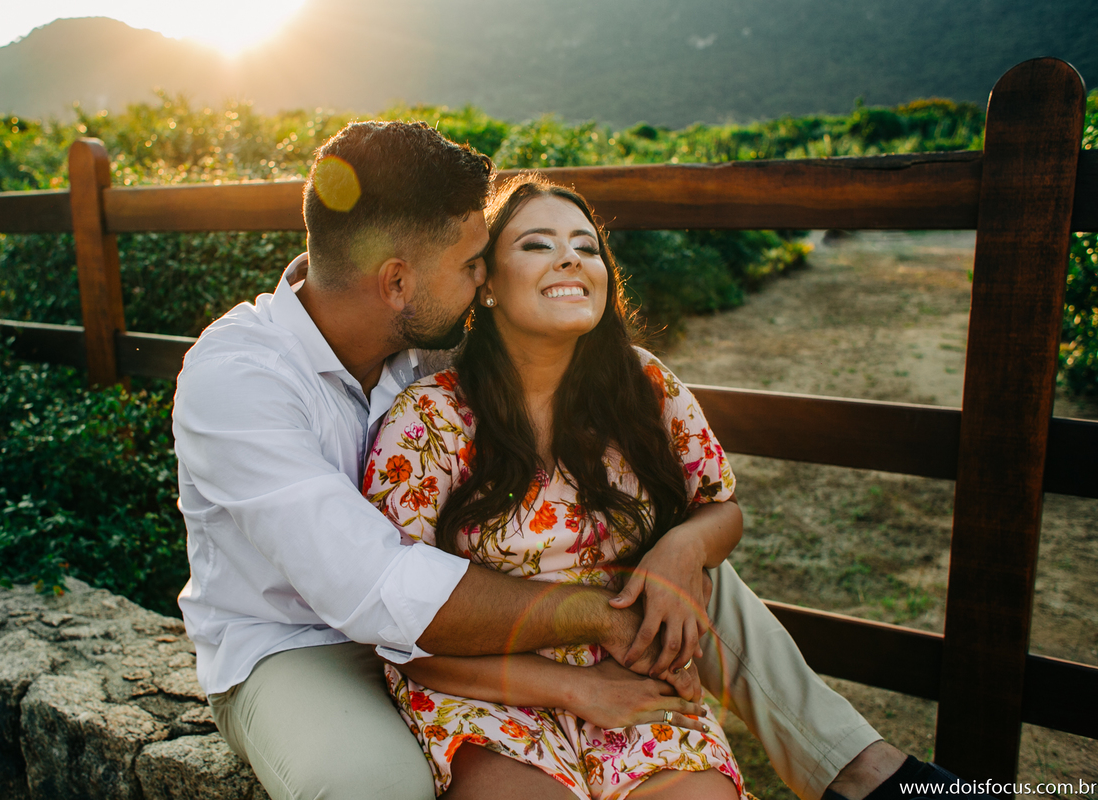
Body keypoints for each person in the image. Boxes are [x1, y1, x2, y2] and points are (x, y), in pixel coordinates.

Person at [171, 119, 956, 800]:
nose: (484, 275)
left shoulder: (423, 350)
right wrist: (593, 626)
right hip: (299, 646)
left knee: (679, 571)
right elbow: (376, 590)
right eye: (474, 261)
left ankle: (864, 773)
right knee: (373, 787)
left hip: (465, 630)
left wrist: (676, 552)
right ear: (397, 281)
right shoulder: (238, 379)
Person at [365, 174, 745, 799]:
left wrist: (683, 549)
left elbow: (720, 505)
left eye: (587, 246)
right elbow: (399, 629)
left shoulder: (646, 384)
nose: (571, 257)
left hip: (634, 676)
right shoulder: (429, 419)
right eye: (538, 244)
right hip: (489, 690)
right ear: (484, 281)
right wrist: (578, 689)